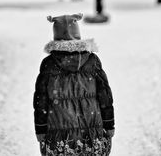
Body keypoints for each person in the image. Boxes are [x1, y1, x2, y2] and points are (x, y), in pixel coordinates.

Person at [33, 13, 115, 156]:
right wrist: (109, 123)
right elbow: (105, 96)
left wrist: (40, 128)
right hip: (91, 132)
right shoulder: (92, 61)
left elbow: (41, 100)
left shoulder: (48, 64)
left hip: (59, 136)